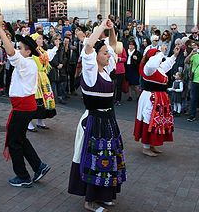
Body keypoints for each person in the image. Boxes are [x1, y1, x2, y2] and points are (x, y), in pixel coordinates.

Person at [68, 19, 126, 212]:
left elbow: (112, 45)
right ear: (96, 57)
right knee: (93, 159)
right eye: (104, 53)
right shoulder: (91, 72)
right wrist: (102, 25)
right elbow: (89, 45)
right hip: (93, 122)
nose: (108, 56)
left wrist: (111, 29)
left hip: (108, 121)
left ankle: (104, 196)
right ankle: (90, 200)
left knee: (108, 159)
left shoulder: (107, 70)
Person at [0, 14, 50, 187]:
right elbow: (13, 50)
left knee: (14, 142)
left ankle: (23, 176)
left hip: (22, 108)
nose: (18, 49)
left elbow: (10, 51)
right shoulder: (29, 62)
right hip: (25, 106)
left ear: (28, 51)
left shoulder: (25, 62)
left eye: (21, 47)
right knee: (20, 138)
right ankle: (38, 166)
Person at [134, 45, 180, 157]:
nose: (160, 58)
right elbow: (153, 63)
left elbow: (167, 64)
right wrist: (160, 53)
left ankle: (152, 144)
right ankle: (146, 147)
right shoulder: (148, 68)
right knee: (149, 119)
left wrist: (174, 55)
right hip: (150, 98)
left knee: (156, 121)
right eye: (157, 56)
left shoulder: (158, 68)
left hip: (159, 98)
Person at [27, 33, 57, 131]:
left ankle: (40, 121)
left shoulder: (42, 50)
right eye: (39, 38)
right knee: (35, 100)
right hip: (35, 77)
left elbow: (47, 57)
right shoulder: (31, 52)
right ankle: (29, 123)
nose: (41, 40)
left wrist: (56, 47)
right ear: (35, 41)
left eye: (41, 38)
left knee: (45, 99)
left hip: (43, 77)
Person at [185, 41, 199, 122]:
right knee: (193, 98)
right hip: (195, 79)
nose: (194, 48)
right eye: (192, 47)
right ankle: (192, 115)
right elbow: (186, 61)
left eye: (195, 46)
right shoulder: (194, 55)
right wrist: (191, 54)